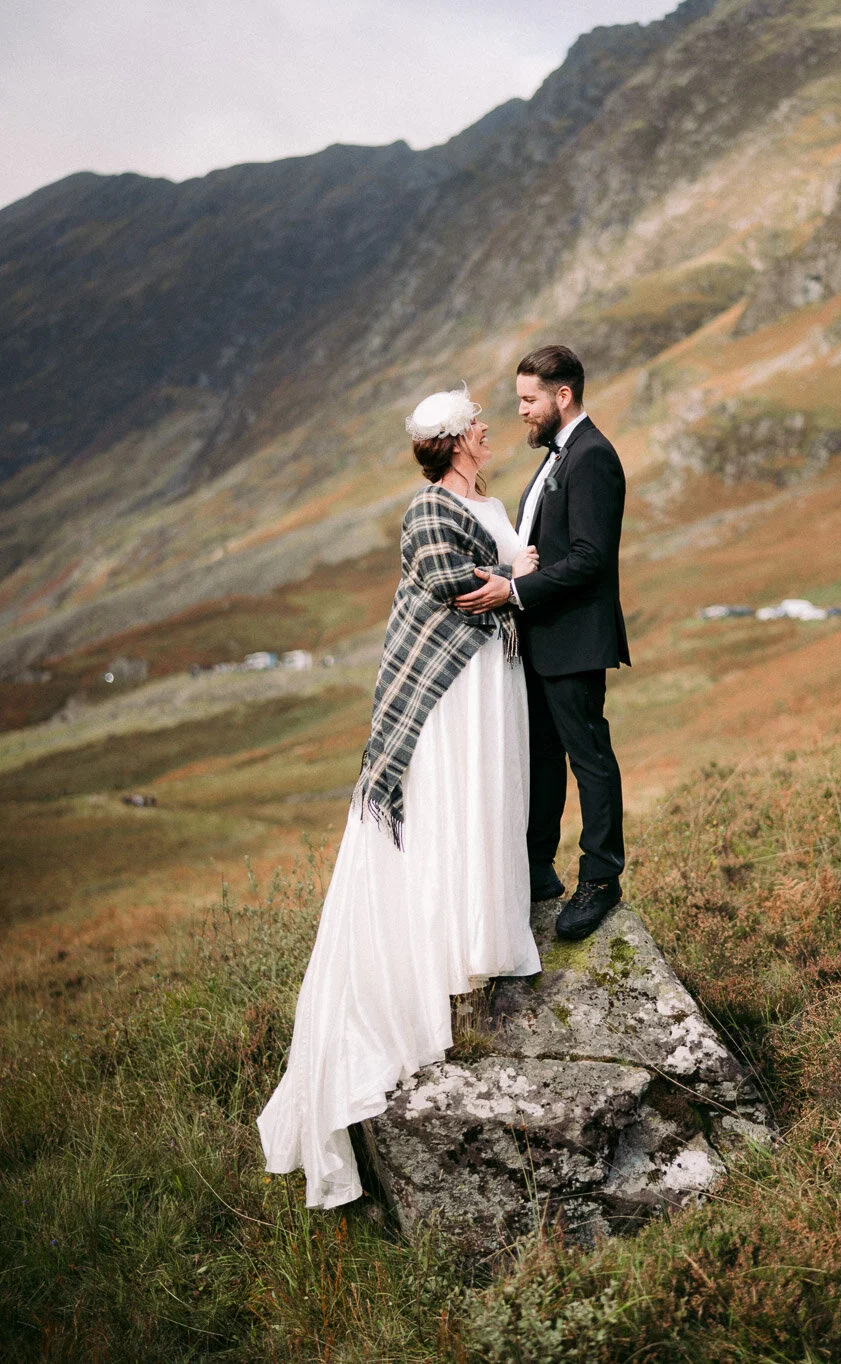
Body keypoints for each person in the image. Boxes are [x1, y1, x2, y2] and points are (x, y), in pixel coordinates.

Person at [257, 386, 542, 1209]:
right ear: (454, 440)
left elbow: (488, 582)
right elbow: (451, 586)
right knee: (459, 795)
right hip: (453, 686)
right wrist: (514, 571)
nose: (490, 429)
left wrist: (508, 577)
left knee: (493, 795)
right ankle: (455, 940)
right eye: (478, 423)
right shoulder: (425, 509)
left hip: (494, 672)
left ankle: (487, 926)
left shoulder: (482, 497)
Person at [454, 344, 630, 942]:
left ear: (563, 396)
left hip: (575, 639)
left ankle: (601, 880)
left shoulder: (593, 458)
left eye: (529, 400)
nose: (522, 412)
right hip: (542, 639)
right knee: (542, 760)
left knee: (589, 759)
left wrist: (512, 592)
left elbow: (589, 559)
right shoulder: (559, 456)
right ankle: (537, 871)